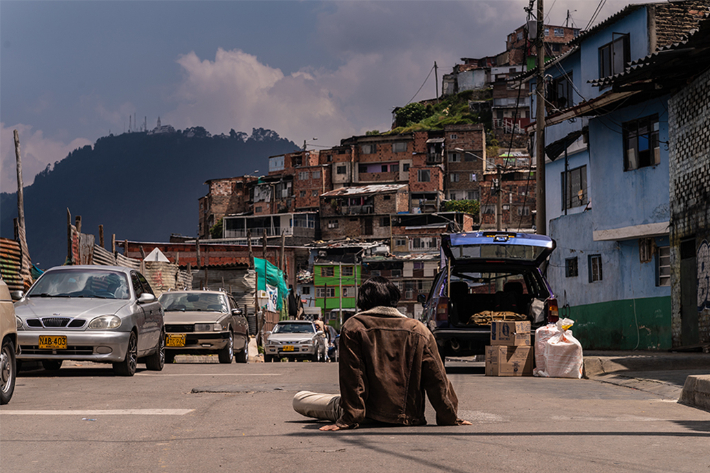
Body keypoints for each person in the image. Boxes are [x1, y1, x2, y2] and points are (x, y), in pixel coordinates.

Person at [293, 276, 471, 431]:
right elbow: (437, 379)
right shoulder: (419, 330)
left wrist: (349, 418)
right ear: (394, 299)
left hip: (365, 414)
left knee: (300, 399)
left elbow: (353, 376)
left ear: (363, 301)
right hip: (409, 417)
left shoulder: (354, 326)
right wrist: (449, 417)